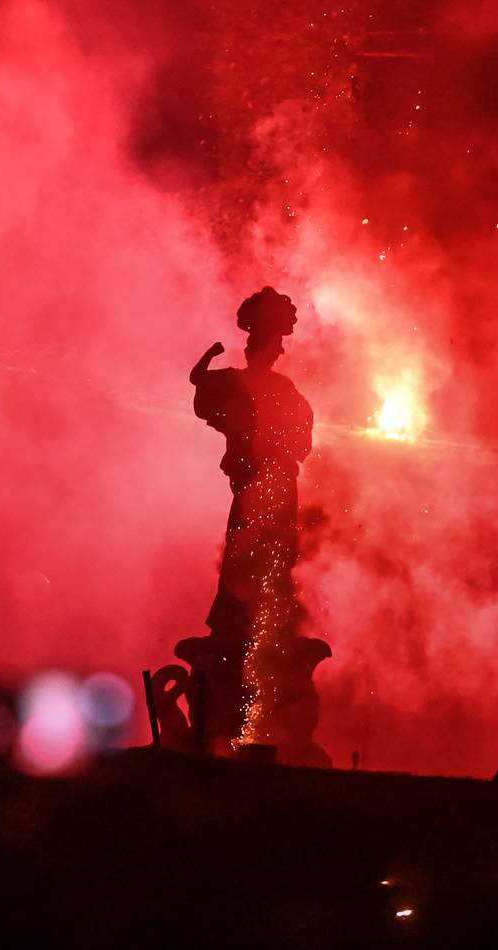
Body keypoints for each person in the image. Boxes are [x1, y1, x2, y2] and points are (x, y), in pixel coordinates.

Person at [177, 287, 323, 753]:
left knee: (265, 557)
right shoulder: (263, 389)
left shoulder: (273, 390)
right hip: (263, 487)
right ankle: (244, 619)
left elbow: (297, 435)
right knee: (253, 554)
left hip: (272, 486)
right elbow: (208, 393)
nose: (280, 347)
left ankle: (252, 615)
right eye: (275, 339)